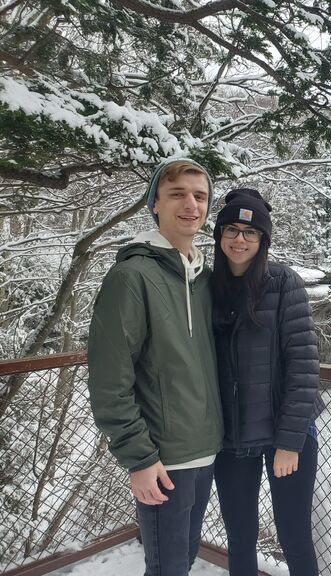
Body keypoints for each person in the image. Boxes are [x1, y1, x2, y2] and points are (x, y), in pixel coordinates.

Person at [87, 158, 223, 576]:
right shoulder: (131, 277)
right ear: (155, 204)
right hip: (163, 459)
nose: (191, 205)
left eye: (200, 196)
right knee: (167, 568)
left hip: (206, 450)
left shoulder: (204, 278)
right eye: (177, 193)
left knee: (181, 560)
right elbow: (110, 379)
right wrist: (140, 459)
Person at [211, 188, 324, 576]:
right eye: (231, 229)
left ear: (263, 240)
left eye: (251, 232)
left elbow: (304, 365)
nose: (240, 239)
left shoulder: (282, 283)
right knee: (239, 538)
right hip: (232, 438)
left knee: (294, 536)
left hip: (284, 434)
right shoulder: (206, 287)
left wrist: (289, 442)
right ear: (219, 235)